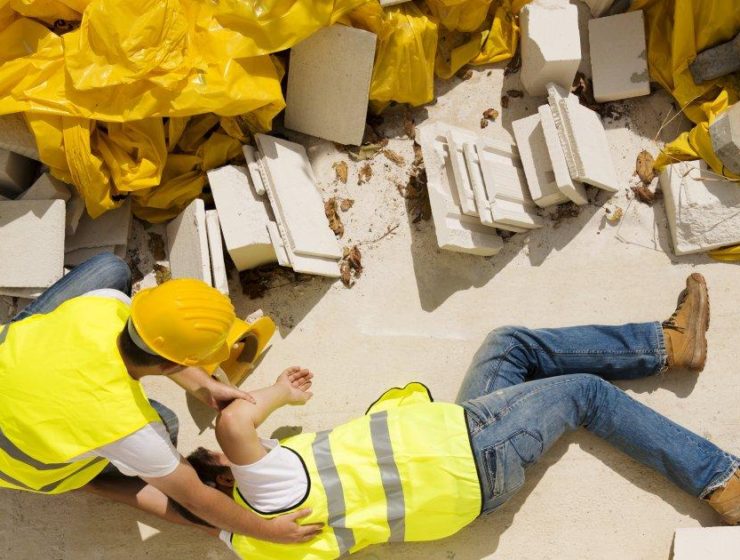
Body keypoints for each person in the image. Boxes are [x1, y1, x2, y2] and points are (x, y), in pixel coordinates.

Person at [181, 273, 738, 558]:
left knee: (509, 346)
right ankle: (720, 478)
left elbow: (185, 504)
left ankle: (669, 345)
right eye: (222, 455)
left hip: (459, 481)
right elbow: (234, 425)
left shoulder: (246, 545)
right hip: (470, 451)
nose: (240, 444)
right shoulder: (267, 491)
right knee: (585, 394)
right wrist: (278, 391)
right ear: (228, 475)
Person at [0, 253, 322, 544]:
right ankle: (82, 479)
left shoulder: (104, 304)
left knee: (111, 269)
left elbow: (151, 342)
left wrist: (204, 387)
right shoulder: (130, 427)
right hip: (17, 463)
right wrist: (269, 531)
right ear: (170, 365)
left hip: (13, 363)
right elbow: (197, 500)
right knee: (167, 424)